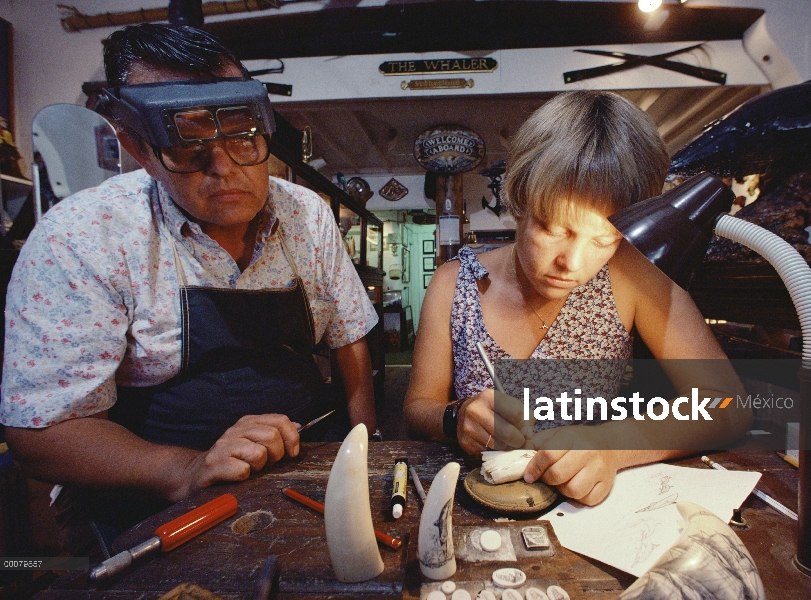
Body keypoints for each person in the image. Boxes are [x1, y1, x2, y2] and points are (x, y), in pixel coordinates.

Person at [0, 24, 378, 548]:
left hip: (303, 469)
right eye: (189, 146)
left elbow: (348, 335)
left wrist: (370, 449)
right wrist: (187, 469)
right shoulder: (84, 237)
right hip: (153, 506)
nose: (225, 170)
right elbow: (40, 433)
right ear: (139, 147)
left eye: (243, 138)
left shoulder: (306, 214)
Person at [404, 91, 751, 507]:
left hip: (587, 513)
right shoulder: (454, 283)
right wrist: (454, 417)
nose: (572, 262)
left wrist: (611, 447)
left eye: (603, 238)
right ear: (519, 202)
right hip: (479, 506)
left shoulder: (631, 276)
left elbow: (728, 409)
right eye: (553, 228)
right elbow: (418, 406)